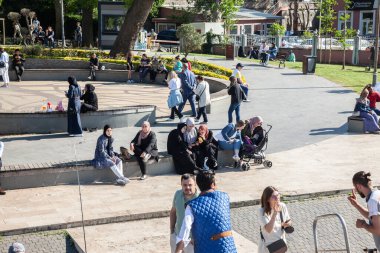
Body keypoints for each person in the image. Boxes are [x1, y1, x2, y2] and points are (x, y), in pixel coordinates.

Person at [175, 171, 237, 253]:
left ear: (198, 185)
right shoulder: (225, 197)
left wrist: (178, 250)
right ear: (212, 184)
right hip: (229, 248)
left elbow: (185, 231)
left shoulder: (192, 206)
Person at [348, 171, 380, 251]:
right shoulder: (377, 194)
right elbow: (373, 217)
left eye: (355, 187)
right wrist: (356, 204)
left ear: (358, 186)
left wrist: (363, 224)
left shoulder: (372, 201)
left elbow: (378, 230)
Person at [170, 174, 199, 253]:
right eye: (185, 185)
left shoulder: (200, 198)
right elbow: (173, 212)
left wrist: (195, 238)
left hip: (191, 242)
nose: (187, 187)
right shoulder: (177, 194)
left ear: (195, 184)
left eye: (190, 185)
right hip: (176, 236)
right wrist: (172, 231)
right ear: (181, 185)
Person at [258, 186, 292, 253]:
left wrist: (288, 224)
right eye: (274, 197)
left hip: (281, 245)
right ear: (268, 199)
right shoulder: (262, 211)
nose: (277, 198)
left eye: (278, 195)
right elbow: (268, 229)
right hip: (267, 247)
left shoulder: (283, 206)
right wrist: (275, 213)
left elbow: (289, 220)